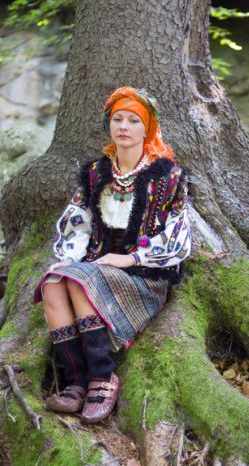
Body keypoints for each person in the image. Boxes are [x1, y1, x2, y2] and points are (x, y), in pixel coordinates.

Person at [34, 87, 191, 424]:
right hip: (94, 269)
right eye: (118, 119)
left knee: (78, 280)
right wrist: (70, 257)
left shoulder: (168, 177)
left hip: (142, 277)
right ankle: (75, 382)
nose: (124, 126)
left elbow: (177, 237)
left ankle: (103, 375)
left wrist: (130, 259)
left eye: (133, 120)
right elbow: (79, 221)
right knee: (52, 282)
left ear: (146, 128)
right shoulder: (95, 174)